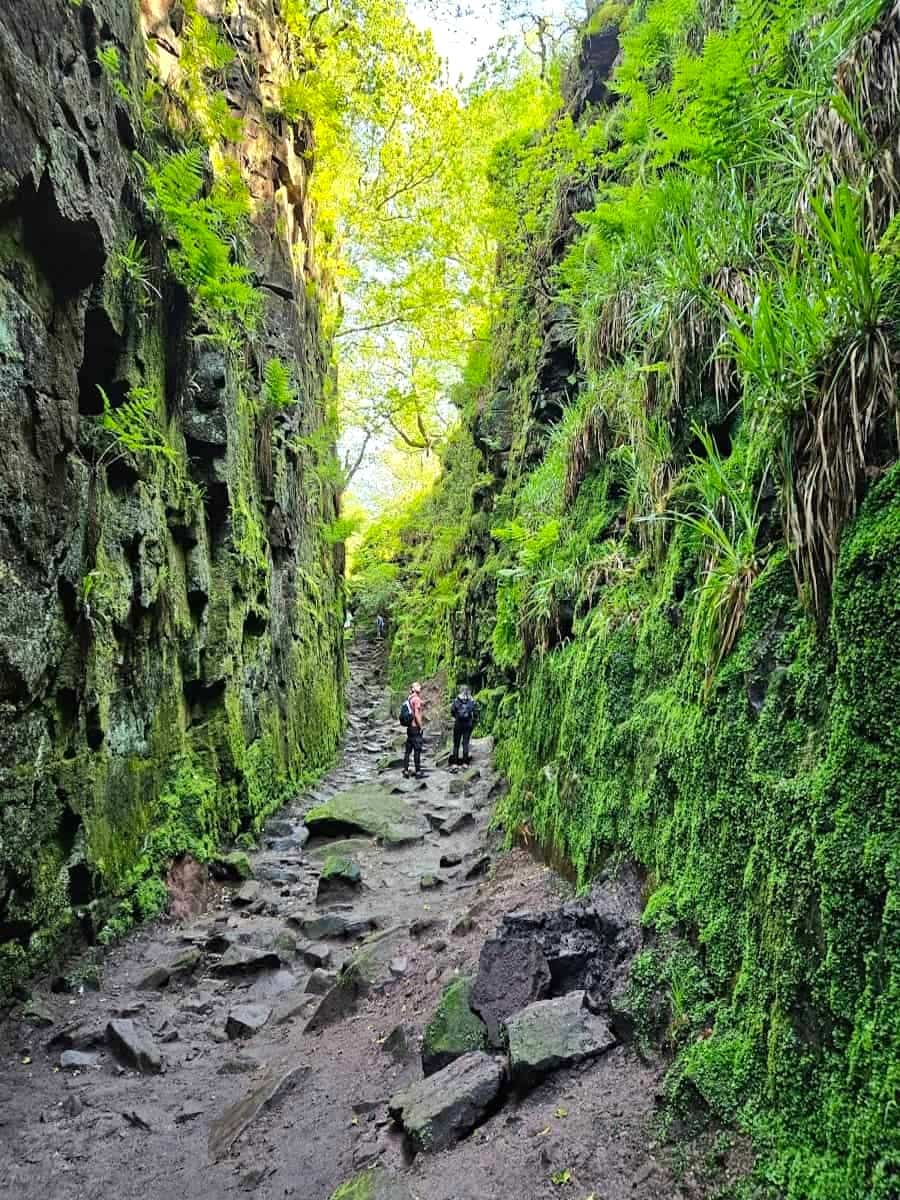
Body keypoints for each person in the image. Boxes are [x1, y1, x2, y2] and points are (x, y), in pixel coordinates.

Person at [401, 681, 425, 779]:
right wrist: (421, 726)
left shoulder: (409, 698)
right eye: (417, 685)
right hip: (415, 728)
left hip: (409, 728)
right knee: (417, 749)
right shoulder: (416, 699)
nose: (420, 686)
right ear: (413, 688)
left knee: (408, 750)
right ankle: (418, 771)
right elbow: (417, 714)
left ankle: (406, 770)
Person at [450, 685, 478, 767]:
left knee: (456, 744)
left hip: (458, 724)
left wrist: (456, 717)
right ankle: (465, 763)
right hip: (468, 724)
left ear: (460, 691)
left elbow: (452, 711)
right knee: (465, 743)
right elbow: (475, 711)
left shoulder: (456, 700)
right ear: (467, 691)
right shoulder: (471, 700)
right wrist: (473, 720)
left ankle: (455, 763)